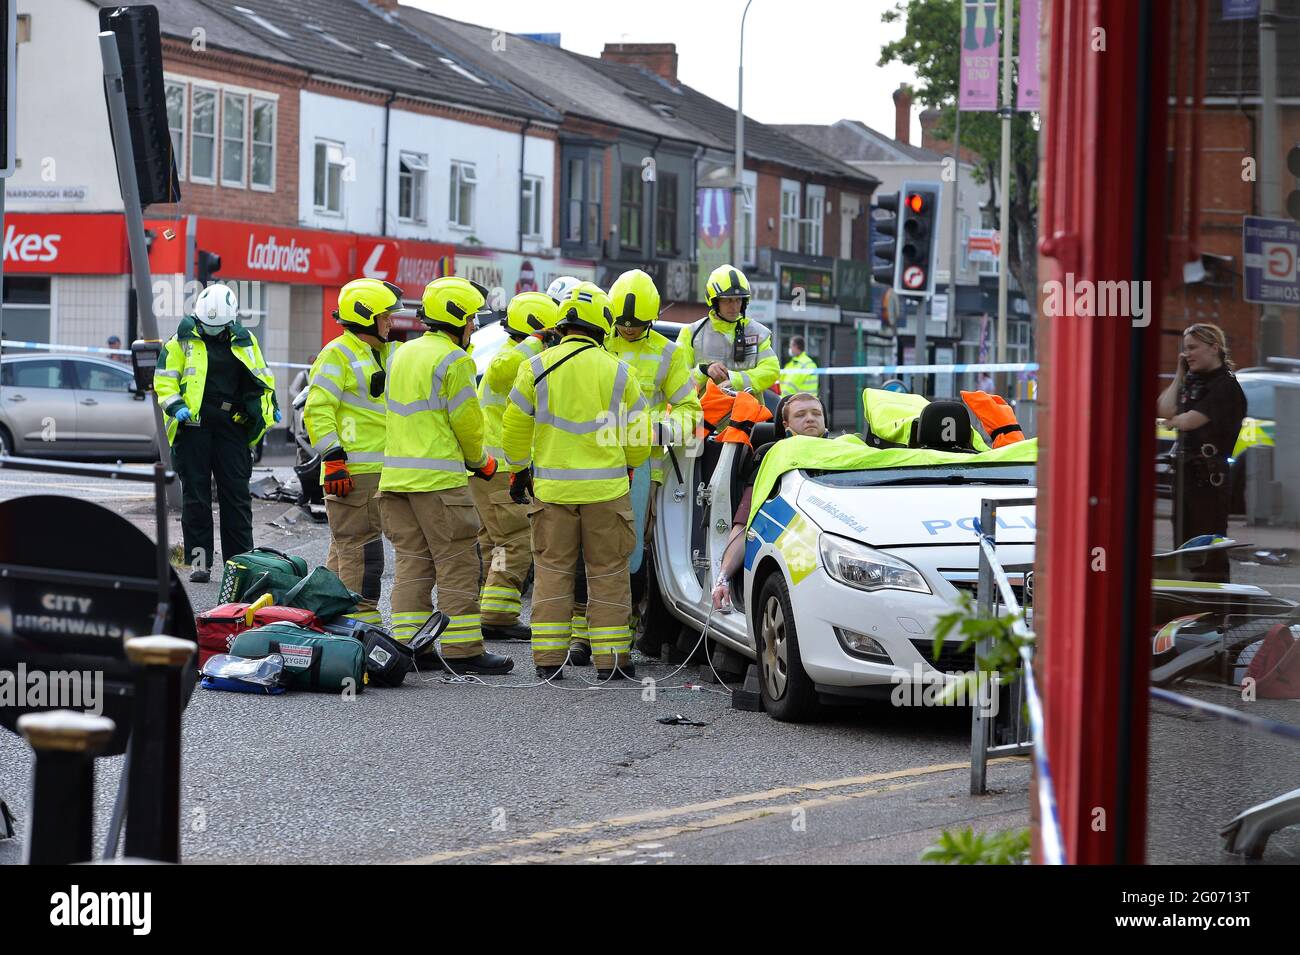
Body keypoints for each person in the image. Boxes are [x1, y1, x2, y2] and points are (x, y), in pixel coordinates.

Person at [502, 282, 649, 680]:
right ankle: (612, 661)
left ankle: (549, 661)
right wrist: (630, 467)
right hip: (607, 492)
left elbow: (514, 425)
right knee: (608, 574)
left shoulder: (535, 366)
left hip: (551, 493)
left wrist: (518, 470)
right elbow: (639, 435)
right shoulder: (619, 371)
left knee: (552, 572)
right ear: (603, 325)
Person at [379, 276, 513, 675]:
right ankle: (462, 649)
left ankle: (411, 645)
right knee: (457, 562)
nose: (473, 325)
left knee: (412, 562)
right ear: (455, 317)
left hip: (396, 481)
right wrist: (481, 462)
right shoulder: (455, 361)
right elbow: (468, 423)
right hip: (438, 483)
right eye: (471, 318)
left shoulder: (401, 353)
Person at [154, 284, 278, 583]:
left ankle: (241, 565)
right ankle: (199, 562)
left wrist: (268, 406)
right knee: (196, 498)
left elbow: (261, 377)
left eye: (218, 326)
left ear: (232, 320)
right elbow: (164, 380)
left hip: (232, 426)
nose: (211, 330)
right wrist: (176, 406)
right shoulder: (179, 342)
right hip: (193, 427)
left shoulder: (245, 341)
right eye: (207, 325)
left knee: (235, 497)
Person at [303, 279, 401, 627]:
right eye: (385, 316)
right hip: (349, 471)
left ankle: (329, 618)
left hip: (378, 470)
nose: (391, 322)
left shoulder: (387, 353)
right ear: (365, 318)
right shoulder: (337, 353)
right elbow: (317, 409)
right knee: (362, 550)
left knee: (345, 549)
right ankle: (362, 624)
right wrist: (332, 458)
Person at [472, 291, 558, 641]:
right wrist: (537, 344)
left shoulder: (512, 357)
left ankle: (487, 607)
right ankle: (498, 613)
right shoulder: (511, 358)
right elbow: (503, 370)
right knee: (515, 542)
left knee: (494, 544)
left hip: (489, 470)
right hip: (502, 470)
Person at [712, 392, 828, 610]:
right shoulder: (771, 458)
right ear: (786, 424)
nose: (810, 419)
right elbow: (744, 526)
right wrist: (722, 578)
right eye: (801, 414)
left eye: (816, 413)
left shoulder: (845, 451)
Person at [1156, 323, 1246, 580]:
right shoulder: (1192, 381)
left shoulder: (1225, 387)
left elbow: (1189, 421)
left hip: (1209, 480)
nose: (1187, 354)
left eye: (1193, 348)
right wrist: (1179, 373)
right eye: (1185, 350)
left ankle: (1218, 611)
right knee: (1184, 551)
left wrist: (1173, 422)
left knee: (1208, 552)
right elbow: (1164, 409)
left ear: (1214, 347)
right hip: (1185, 477)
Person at [676, 264, 779, 396]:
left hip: (748, 415)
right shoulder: (691, 333)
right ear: (714, 302)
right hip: (705, 414)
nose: (734, 306)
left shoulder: (758, 333)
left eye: (738, 300)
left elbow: (771, 369)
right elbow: (678, 380)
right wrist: (703, 371)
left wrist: (735, 380)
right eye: (728, 300)